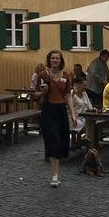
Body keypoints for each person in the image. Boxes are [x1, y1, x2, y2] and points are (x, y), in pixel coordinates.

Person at [37, 50, 72, 187]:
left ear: (60, 60)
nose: (54, 60)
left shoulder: (66, 75)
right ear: (49, 60)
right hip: (48, 110)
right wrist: (43, 92)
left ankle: (55, 171)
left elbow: (68, 95)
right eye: (52, 58)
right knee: (54, 141)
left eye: (57, 58)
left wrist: (73, 114)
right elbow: (35, 93)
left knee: (62, 141)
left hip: (61, 110)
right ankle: (54, 175)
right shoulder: (43, 75)